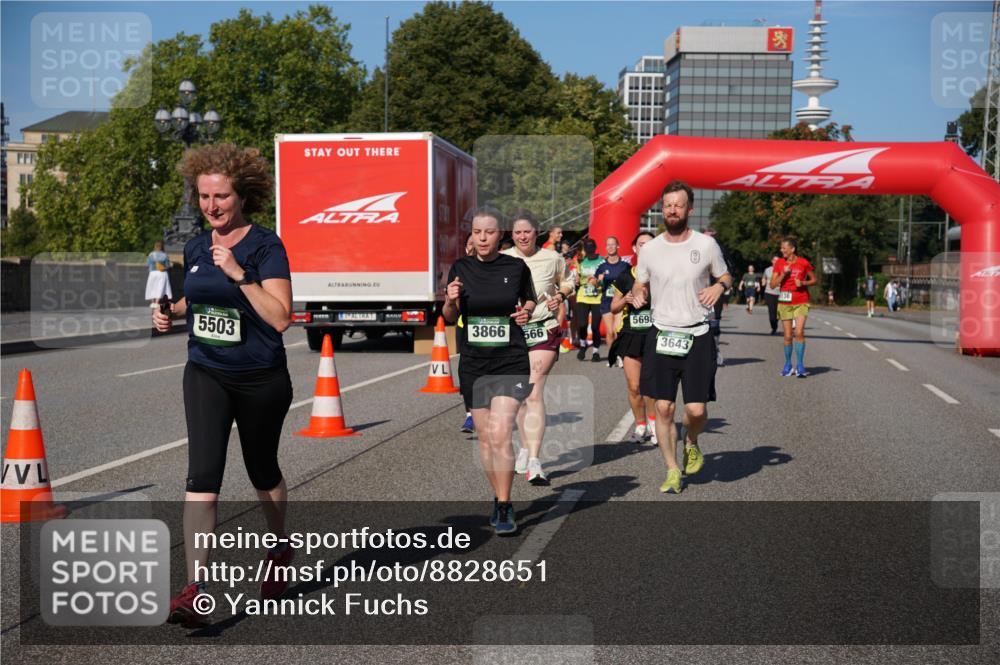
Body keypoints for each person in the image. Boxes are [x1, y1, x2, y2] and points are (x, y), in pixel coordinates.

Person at [152, 144, 294, 627]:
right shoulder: (195, 246)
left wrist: (240, 276)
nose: (212, 206)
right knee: (202, 478)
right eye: (204, 196)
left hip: (261, 379)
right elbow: (195, 299)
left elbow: (280, 319)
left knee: (262, 470)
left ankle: (278, 549)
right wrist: (170, 313)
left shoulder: (265, 247)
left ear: (243, 195)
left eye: (222, 196)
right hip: (206, 371)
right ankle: (196, 588)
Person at [631, 181, 730, 495]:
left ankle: (692, 441)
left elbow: (724, 275)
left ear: (690, 209)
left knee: (696, 411)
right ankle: (672, 469)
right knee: (663, 408)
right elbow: (640, 284)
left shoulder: (706, 245)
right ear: (663, 208)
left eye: (678, 204)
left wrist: (719, 287)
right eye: (668, 204)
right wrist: (637, 294)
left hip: (697, 334)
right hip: (661, 334)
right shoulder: (650, 249)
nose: (672, 209)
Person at [443, 206, 537, 535]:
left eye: (490, 232)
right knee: (485, 440)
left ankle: (505, 502)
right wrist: (452, 299)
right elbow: (451, 316)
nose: (483, 238)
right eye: (477, 232)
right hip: (474, 362)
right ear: (472, 235)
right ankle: (497, 497)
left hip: (510, 358)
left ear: (501, 235)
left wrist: (525, 312)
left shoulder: (516, 266)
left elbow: (529, 300)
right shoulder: (461, 268)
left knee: (500, 434)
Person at [502, 211, 574, 484]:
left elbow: (568, 280)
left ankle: (534, 461)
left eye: (527, 232)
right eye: (518, 232)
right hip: (512, 332)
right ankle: (524, 446)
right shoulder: (505, 258)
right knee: (519, 395)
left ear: (537, 232)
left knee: (533, 392)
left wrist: (560, 295)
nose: (522, 236)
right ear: (512, 234)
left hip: (543, 328)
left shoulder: (552, 258)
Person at [608, 232, 658, 443]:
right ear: (635, 249)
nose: (645, 248)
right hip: (631, 334)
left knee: (651, 384)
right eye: (641, 245)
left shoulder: (662, 274)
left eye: (650, 245)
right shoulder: (625, 276)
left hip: (655, 333)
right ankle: (640, 425)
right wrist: (626, 299)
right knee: (634, 386)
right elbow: (613, 307)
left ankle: (655, 424)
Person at [770, 236, 817, 377]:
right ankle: (788, 364)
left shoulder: (803, 263)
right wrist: (783, 275)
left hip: (801, 300)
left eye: (784, 248)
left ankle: (800, 365)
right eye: (781, 248)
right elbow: (772, 285)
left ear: (792, 249)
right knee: (788, 336)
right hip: (785, 302)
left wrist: (803, 283)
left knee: (799, 332)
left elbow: (814, 279)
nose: (781, 250)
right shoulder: (779, 263)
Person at [595, 236, 630, 367]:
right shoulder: (602, 265)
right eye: (608, 245)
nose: (610, 247)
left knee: (617, 330)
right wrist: (597, 280)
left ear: (618, 246)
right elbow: (595, 282)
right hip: (606, 302)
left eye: (613, 244)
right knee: (609, 332)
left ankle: (620, 356)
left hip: (620, 302)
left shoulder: (625, 265)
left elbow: (631, 280)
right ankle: (612, 356)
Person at [575, 239, 604, 361]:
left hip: (597, 297)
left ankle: (596, 352)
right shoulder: (581, 261)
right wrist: (576, 279)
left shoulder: (602, 261)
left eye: (592, 250)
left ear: (595, 248)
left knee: (595, 327)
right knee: (582, 324)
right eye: (588, 250)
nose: (590, 253)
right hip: (583, 296)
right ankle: (583, 345)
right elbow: (577, 276)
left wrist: (598, 281)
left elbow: (605, 278)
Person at [460, 232, 476, 433]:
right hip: (465, 327)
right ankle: (470, 416)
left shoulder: (497, 268)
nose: (474, 246)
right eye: (470, 243)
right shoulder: (460, 269)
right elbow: (450, 309)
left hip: (493, 327)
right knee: (466, 375)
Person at [145, 240, 173, 307]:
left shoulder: (151, 254)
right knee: (160, 287)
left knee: (152, 287)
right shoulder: (164, 255)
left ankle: (152, 302)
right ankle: (157, 302)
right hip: (162, 273)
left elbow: (148, 264)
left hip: (153, 273)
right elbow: (167, 265)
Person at [761, 254, 782, 334]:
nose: (776, 262)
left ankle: (775, 323)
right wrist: (763, 282)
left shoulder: (782, 270)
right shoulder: (767, 270)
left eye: (778, 261)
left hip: (780, 293)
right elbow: (764, 278)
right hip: (769, 292)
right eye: (775, 260)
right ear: (772, 261)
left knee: (778, 312)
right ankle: (774, 327)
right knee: (771, 311)